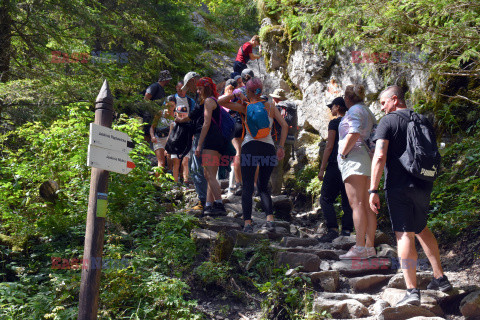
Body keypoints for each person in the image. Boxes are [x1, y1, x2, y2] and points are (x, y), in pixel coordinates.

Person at [369, 85, 452, 306]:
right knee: (422, 228)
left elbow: (379, 156)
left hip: (399, 185)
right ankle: (440, 278)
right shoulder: (423, 119)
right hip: (424, 182)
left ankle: (412, 290)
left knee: (404, 234)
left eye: (383, 103)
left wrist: (373, 190)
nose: (383, 108)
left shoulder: (388, 121)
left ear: (394, 99)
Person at [218, 77, 288, 233]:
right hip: (268, 148)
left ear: (248, 91)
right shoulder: (270, 106)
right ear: (261, 91)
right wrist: (281, 147)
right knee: (263, 187)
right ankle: (270, 220)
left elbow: (220, 102)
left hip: (250, 147)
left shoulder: (245, 107)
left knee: (248, 187)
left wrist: (236, 93)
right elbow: (284, 125)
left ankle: (248, 224)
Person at [337, 84, 377, 260]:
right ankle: (369, 247)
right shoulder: (368, 111)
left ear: (347, 99)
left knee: (357, 204)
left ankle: (360, 247)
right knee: (368, 205)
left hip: (354, 158)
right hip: (367, 159)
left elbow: (353, 133)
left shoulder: (353, 111)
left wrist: (343, 153)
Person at [317, 97, 354, 242]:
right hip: (350, 164)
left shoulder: (335, 122)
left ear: (337, 107)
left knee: (325, 198)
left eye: (331, 107)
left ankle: (332, 230)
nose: (330, 110)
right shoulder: (352, 121)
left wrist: (322, 168)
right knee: (347, 199)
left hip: (335, 164)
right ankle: (346, 231)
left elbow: (330, 146)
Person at [195, 77, 227, 215]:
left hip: (211, 141)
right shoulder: (215, 101)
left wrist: (199, 144)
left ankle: (219, 205)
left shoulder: (208, 101)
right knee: (210, 175)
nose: (198, 91)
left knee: (209, 174)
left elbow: (206, 123)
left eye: (200, 88)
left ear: (206, 88)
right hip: (218, 142)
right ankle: (209, 205)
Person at [177, 71, 208, 210]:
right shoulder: (204, 92)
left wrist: (181, 120)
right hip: (203, 134)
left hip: (202, 135)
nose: (188, 89)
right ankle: (208, 200)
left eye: (188, 85)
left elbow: (196, 114)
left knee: (196, 168)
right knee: (201, 168)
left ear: (193, 80)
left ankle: (204, 201)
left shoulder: (202, 94)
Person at [269, 88, 293, 195]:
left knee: (275, 169)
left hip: (278, 141)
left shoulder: (275, 108)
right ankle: (279, 188)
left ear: (274, 98)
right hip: (290, 140)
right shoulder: (290, 108)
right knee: (281, 167)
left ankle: (275, 195)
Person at [150, 96, 175, 174]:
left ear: (175, 106)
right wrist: (152, 136)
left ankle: (169, 182)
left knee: (171, 162)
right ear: (166, 104)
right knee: (161, 162)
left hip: (170, 140)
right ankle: (158, 182)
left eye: (172, 105)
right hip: (159, 139)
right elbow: (152, 127)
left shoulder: (176, 115)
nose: (170, 107)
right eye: (168, 105)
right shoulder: (160, 113)